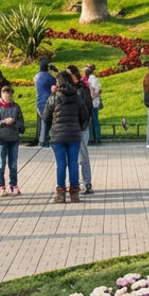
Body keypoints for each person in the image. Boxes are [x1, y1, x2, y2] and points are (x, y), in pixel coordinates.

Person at [44, 69, 90, 202]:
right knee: (73, 163)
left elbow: (46, 116)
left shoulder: (53, 97)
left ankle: (60, 193)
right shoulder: (77, 97)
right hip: (74, 135)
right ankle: (74, 194)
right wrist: (79, 128)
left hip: (58, 135)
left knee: (61, 164)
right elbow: (85, 116)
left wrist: (53, 127)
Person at [0, 84, 26, 194]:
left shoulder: (16, 107)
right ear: (1, 95)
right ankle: (1, 185)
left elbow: (21, 122)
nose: (7, 98)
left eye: (9, 96)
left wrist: (15, 122)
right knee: (1, 163)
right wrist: (3, 122)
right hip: (1, 137)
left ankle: (14, 185)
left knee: (13, 164)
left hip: (14, 137)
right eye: (5, 96)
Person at [68, 66, 95, 194]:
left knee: (83, 154)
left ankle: (87, 182)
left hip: (81, 126)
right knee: (72, 157)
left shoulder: (82, 88)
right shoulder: (65, 89)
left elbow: (88, 106)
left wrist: (85, 121)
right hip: (70, 126)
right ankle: (75, 182)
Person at [34, 59, 56, 147]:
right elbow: (55, 83)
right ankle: (43, 141)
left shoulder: (36, 77)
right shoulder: (50, 77)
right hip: (48, 101)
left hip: (39, 101)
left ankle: (42, 140)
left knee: (43, 121)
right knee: (47, 121)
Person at [84, 65, 103, 144]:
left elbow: (92, 91)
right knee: (96, 121)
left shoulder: (90, 80)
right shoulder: (95, 79)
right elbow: (100, 89)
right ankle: (97, 138)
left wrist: (91, 97)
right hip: (96, 102)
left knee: (91, 121)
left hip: (92, 103)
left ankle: (92, 138)